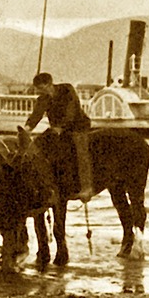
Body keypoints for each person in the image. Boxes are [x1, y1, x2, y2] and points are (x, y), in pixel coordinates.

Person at [24, 72, 95, 202]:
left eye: (41, 88)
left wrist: (61, 126)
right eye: (39, 89)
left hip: (77, 127)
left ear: (48, 84)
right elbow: (36, 115)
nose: (40, 91)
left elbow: (72, 110)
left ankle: (86, 187)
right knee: (38, 146)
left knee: (81, 151)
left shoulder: (67, 89)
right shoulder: (42, 99)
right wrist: (27, 128)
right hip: (57, 129)